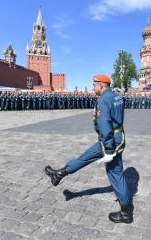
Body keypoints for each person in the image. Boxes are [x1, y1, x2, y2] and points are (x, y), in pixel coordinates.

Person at [44, 74, 133, 224]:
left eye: (94, 85)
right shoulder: (116, 96)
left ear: (101, 85)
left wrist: (109, 151)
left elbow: (104, 124)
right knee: (86, 158)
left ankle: (126, 212)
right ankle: (59, 173)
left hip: (109, 140)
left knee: (116, 175)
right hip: (116, 137)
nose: (93, 88)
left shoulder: (103, 99)